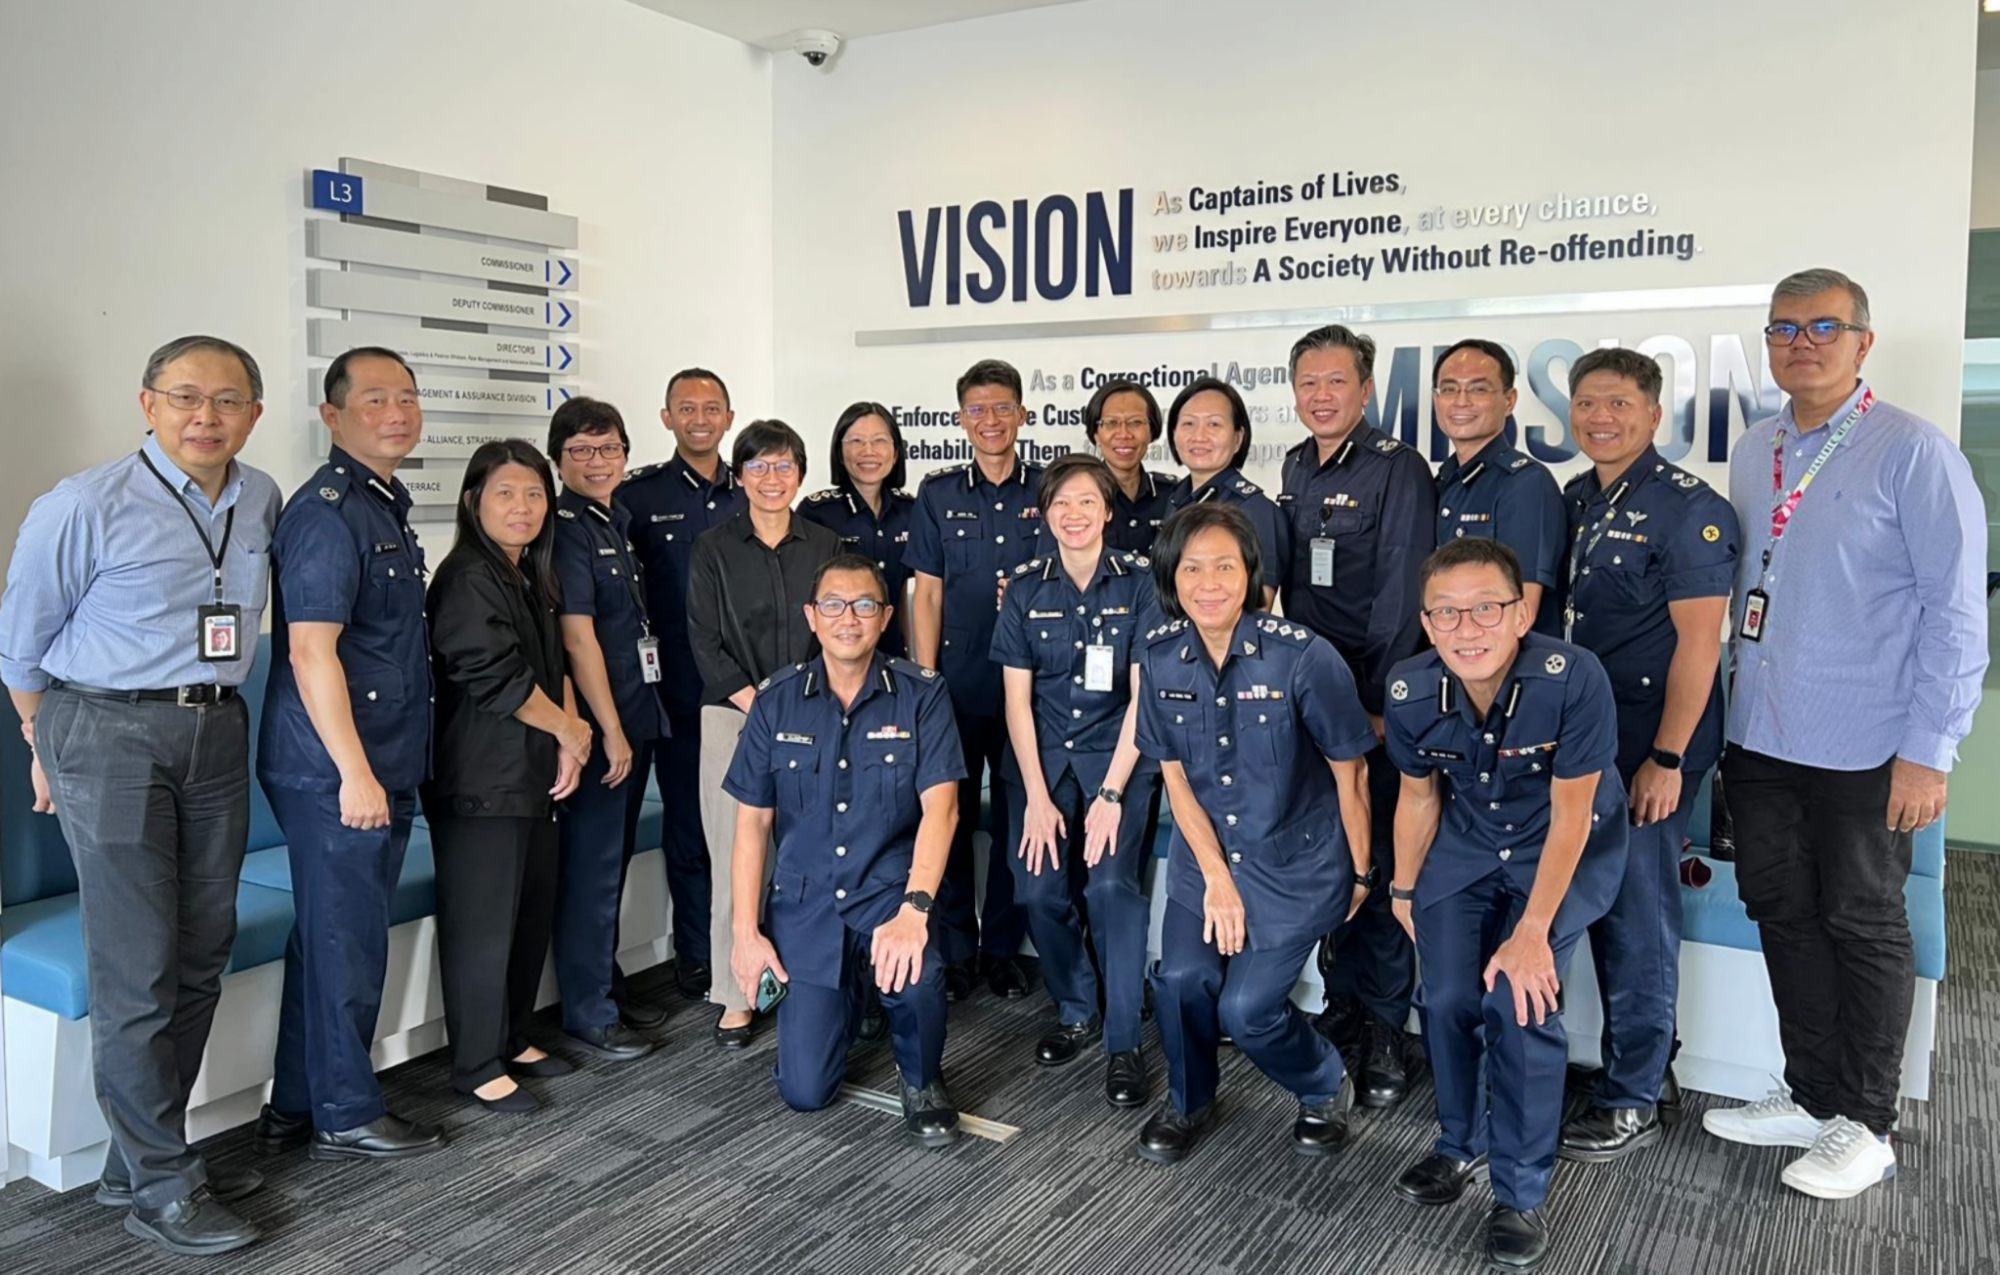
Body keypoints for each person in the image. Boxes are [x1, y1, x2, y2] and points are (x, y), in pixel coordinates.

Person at [1705, 268, 1988, 1199]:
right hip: (1762, 733)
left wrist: (1930, 749)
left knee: (1863, 923)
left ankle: (1868, 1121)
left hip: (1868, 743)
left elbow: (1956, 615)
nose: (1803, 342)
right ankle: (1815, 1091)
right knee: (1783, 913)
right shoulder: (1756, 449)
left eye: (1825, 326)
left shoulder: (1914, 452)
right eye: (1784, 328)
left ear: (1864, 341)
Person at [0, 335, 281, 1258]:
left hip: (215, 728)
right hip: (107, 730)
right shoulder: (83, 502)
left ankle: (137, 1149)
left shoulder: (261, 497)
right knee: (137, 963)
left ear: (254, 411)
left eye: (227, 399)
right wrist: (47, 743)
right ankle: (161, 1182)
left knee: (204, 947)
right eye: (186, 397)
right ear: (148, 403)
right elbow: (22, 644)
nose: (207, 416)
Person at [1383, 538, 1628, 1272]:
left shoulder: (1572, 677)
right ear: (1427, 625)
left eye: (1486, 608)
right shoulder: (1409, 689)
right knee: (1449, 994)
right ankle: (1460, 1143)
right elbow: (1419, 798)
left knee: (1519, 1003)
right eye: (1448, 614)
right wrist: (1403, 887)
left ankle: (1520, 1191)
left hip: (1559, 845)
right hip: (1467, 842)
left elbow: (1573, 811)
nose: (1468, 628)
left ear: (1521, 613)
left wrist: (1532, 930)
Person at [1131, 503, 1376, 1166]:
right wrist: (1214, 877)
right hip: (1204, 856)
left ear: (1251, 576)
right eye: (1191, 567)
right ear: (1170, 578)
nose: (1208, 582)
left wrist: (1359, 873)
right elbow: (1175, 779)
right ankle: (1190, 1098)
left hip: (1293, 863)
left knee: (1247, 1009)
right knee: (1180, 978)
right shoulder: (1158, 658)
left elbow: (1349, 773)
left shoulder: (1303, 658)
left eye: (1224, 566)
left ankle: (1324, 1083)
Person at [254, 347, 445, 1164]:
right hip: (337, 770)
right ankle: (345, 1109)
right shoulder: (328, 512)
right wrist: (355, 773)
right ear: (333, 416)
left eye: (406, 397)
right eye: (374, 399)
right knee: (347, 942)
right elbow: (309, 652)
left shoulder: (382, 504)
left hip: (378, 760)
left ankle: (296, 1101)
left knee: (331, 935)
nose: (395, 412)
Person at [1554, 348, 1738, 1162]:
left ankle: (1632, 1097)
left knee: (1638, 915)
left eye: (1619, 403)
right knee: (1597, 901)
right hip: (1589, 734)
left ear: (1655, 414)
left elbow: (1702, 645)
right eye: (1588, 402)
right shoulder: (1574, 498)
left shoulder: (1688, 508)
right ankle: (1640, 1065)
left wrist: (1666, 757)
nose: (1601, 417)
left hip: (1652, 742)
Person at [723, 554, 967, 1145]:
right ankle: (854, 999)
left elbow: (943, 809)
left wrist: (914, 911)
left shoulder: (921, 695)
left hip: (889, 896)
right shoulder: (776, 701)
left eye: (864, 605)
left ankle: (922, 1077)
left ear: (885, 617)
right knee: (805, 1093)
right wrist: (745, 933)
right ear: (812, 616)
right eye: (833, 605)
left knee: (917, 976)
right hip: (808, 909)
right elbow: (752, 825)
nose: (848, 618)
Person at [1278, 323, 1436, 1109]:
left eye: (1336, 381)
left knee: (1377, 864)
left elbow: (1401, 596)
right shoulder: (1296, 466)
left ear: (1366, 389)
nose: (1321, 396)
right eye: (1308, 382)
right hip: (1305, 695)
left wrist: (1372, 703)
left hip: (1368, 702)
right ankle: (1339, 1005)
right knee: (1335, 855)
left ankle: (1381, 1025)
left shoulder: (1397, 468)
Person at [990, 455, 1164, 1106]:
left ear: (1108, 511)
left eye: (1086, 501)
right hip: (1039, 764)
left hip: (1117, 757)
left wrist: (1114, 792)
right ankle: (1075, 1005)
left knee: (1114, 886)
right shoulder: (1027, 585)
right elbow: (1016, 700)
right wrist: (1036, 795)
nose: (1074, 513)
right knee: (1036, 890)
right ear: (1045, 513)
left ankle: (1122, 1042)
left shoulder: (1139, 583)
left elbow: (1144, 697)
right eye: (1061, 502)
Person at [424, 440, 587, 1113]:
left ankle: (512, 1034)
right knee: (483, 923)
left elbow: (556, 668)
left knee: (526, 913)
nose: (523, 508)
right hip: (481, 777)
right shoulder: (466, 577)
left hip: (532, 773)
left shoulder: (526, 573)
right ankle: (475, 1062)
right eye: (505, 494)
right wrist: (569, 731)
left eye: (534, 494)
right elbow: (498, 677)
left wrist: (571, 739)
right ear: (473, 502)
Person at [687, 419, 841, 1046]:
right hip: (732, 714)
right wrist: (760, 704)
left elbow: (841, 630)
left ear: (801, 475)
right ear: (739, 475)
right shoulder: (712, 548)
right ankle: (737, 991)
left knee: (811, 852)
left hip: (814, 714)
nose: (771, 479)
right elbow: (703, 640)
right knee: (736, 855)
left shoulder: (828, 545)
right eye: (757, 466)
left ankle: (810, 978)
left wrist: (798, 706)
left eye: (783, 466)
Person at [906, 358, 1042, 1002]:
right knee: (950, 816)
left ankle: (1002, 949)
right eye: (977, 410)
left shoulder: (1049, 489)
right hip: (955, 686)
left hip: (1029, 690)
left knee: (1019, 818)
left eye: (1002, 407)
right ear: (962, 419)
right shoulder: (938, 494)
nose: (990, 421)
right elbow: (926, 595)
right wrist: (925, 679)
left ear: (1022, 413)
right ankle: (956, 947)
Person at [547, 398, 667, 1063]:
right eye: (582, 451)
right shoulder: (566, 528)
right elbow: (578, 637)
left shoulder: (613, 521)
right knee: (592, 870)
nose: (598, 461)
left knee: (610, 863)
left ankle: (606, 985)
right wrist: (612, 731)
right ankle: (588, 1009)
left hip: (634, 713)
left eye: (609, 448)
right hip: (599, 731)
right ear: (559, 459)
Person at [622, 367, 746, 1004]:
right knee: (692, 829)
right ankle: (698, 953)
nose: (701, 417)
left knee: (756, 827)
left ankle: (750, 943)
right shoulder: (636, 497)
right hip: (678, 694)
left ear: (729, 417)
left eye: (713, 407)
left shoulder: (755, 488)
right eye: (686, 407)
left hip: (751, 692)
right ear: (667, 417)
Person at [1430, 339, 1565, 631]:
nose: (1461, 401)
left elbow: (1520, 613)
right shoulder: (1443, 480)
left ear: (1510, 400)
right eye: (1449, 389)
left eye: (1478, 389)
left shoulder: (1526, 483)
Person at [1160, 377, 1289, 608]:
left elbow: (1258, 608)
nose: (1199, 436)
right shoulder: (1176, 499)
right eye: (1188, 424)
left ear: (1238, 438)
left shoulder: (1255, 510)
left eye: (1214, 424)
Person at [801, 402, 917, 657]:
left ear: (896, 452)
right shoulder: (816, 512)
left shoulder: (912, 510)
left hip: (892, 655)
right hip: (834, 655)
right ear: (839, 453)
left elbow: (907, 593)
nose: (869, 451)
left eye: (879, 441)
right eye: (856, 441)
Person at [1083, 378, 1175, 553]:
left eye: (1135, 423)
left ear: (1152, 432)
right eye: (1111, 423)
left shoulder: (1172, 495)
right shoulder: (1078, 497)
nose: (1124, 434)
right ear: (1096, 435)